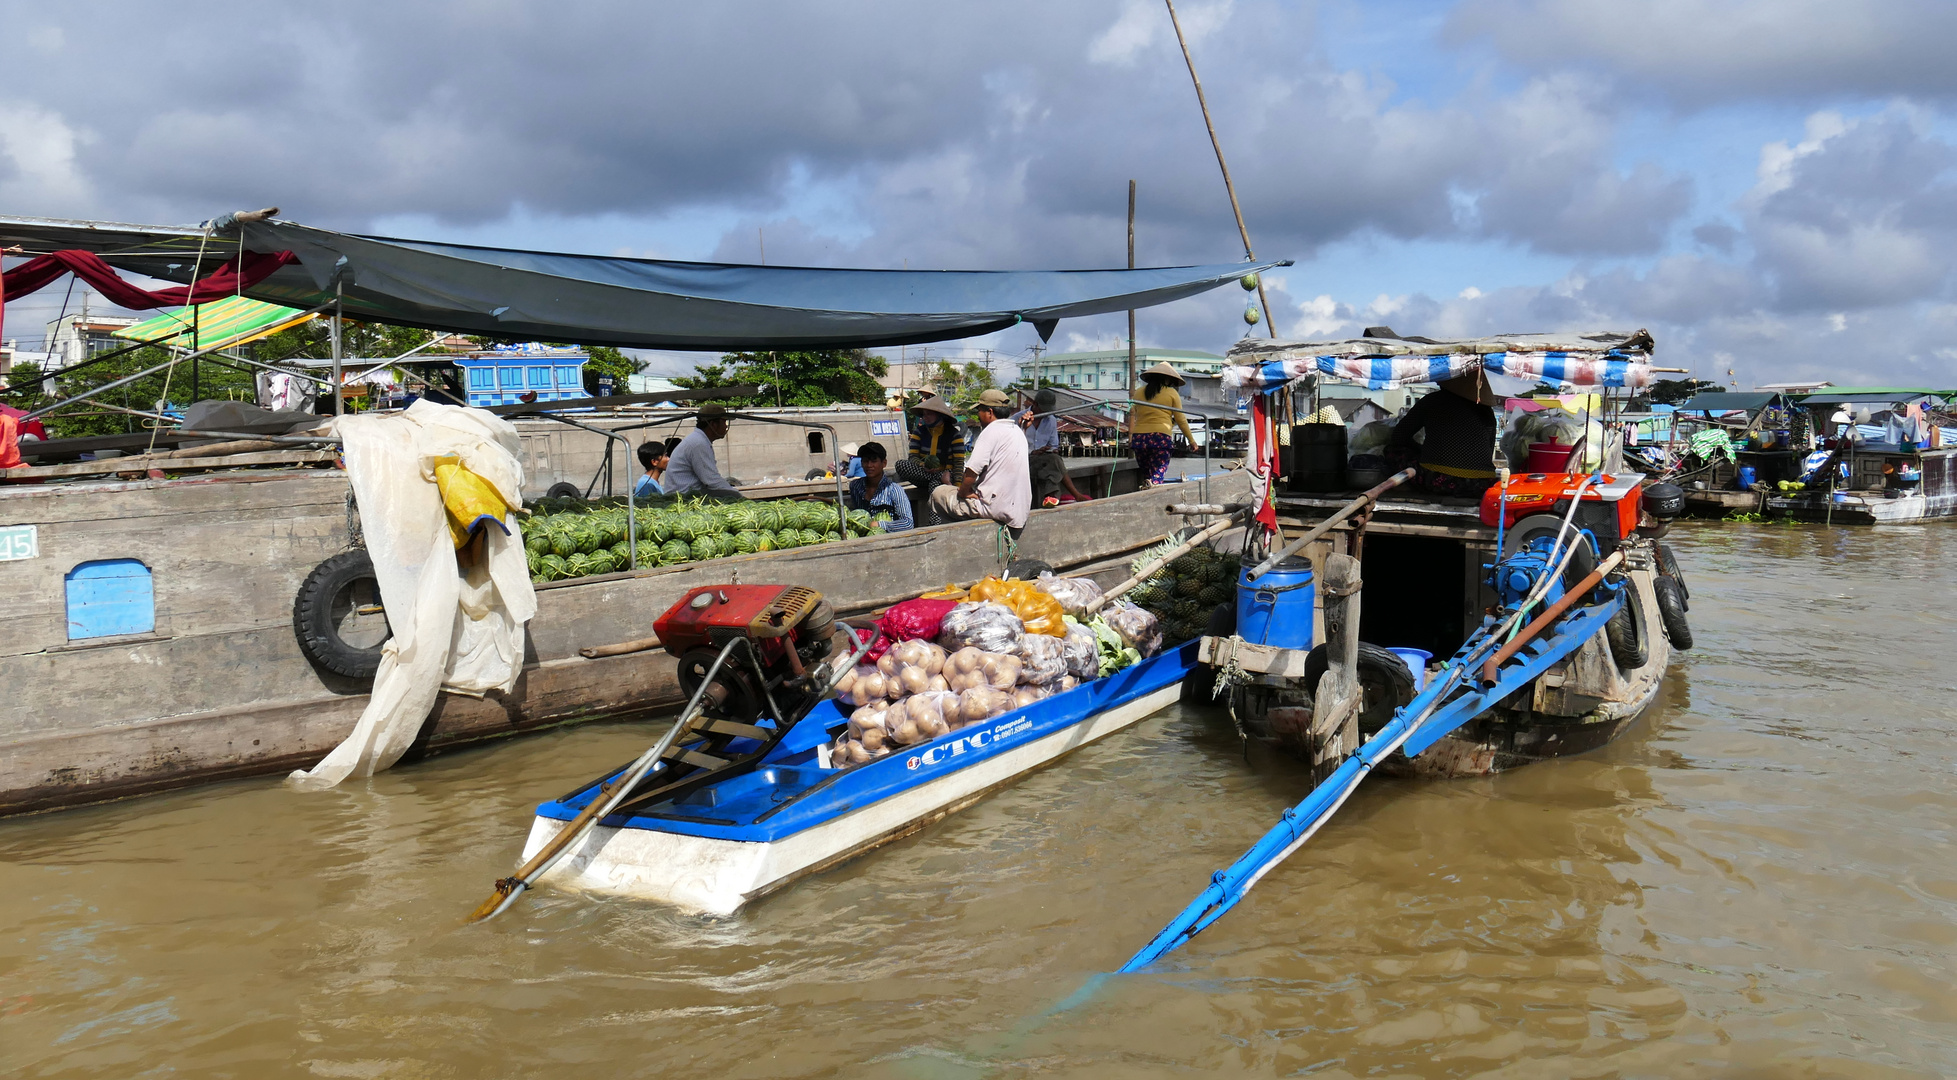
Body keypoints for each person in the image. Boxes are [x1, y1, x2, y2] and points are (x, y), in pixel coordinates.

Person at [929, 389, 1030, 537]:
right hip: (1019, 510)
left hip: (995, 507)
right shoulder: (1017, 431)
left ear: (989, 412)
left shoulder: (990, 431)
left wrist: (964, 491)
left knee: (938, 493)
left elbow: (971, 472)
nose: (978, 415)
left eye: (979, 411)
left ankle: (944, 539)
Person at [1386, 370, 1498, 497]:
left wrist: (1420, 450)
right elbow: (1489, 448)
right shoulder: (1486, 411)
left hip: (1440, 480)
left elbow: (1399, 436)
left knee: (1392, 451)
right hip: (1482, 483)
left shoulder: (1432, 400)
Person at [1012, 388, 1091, 507]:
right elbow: (1012, 446)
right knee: (1055, 461)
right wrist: (1033, 452)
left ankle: (1052, 496)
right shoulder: (1017, 419)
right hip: (1023, 462)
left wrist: (1048, 450)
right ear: (1035, 404)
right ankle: (1072, 494)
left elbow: (1054, 444)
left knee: (1054, 459)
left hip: (1043, 461)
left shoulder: (1051, 420)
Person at [1128, 361, 1197, 486]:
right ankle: (1153, 497)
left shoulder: (1138, 392)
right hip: (1160, 438)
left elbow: (1136, 413)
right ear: (1167, 379)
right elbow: (1180, 418)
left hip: (1139, 439)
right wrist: (1191, 440)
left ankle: (1147, 493)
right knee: (1156, 478)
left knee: (1147, 476)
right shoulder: (1171, 393)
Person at [664, 403, 748, 500]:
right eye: (724, 422)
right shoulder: (698, 443)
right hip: (684, 498)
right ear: (713, 424)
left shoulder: (699, 440)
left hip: (690, 494)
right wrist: (739, 497)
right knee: (734, 496)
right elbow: (712, 480)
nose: (726, 427)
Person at [897, 395, 965, 513]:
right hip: (924, 474)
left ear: (940, 415)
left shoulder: (954, 435)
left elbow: (958, 463)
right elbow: (913, 457)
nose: (925, 417)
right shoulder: (919, 432)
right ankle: (937, 479)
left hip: (947, 476)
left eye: (929, 414)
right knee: (901, 464)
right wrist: (924, 466)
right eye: (924, 414)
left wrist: (956, 486)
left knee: (935, 486)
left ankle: (935, 524)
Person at [844, 441, 914, 532]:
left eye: (874, 461)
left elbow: (908, 524)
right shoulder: (855, 486)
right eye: (865, 461)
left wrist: (879, 525)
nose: (869, 465)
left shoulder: (894, 490)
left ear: (884, 463)